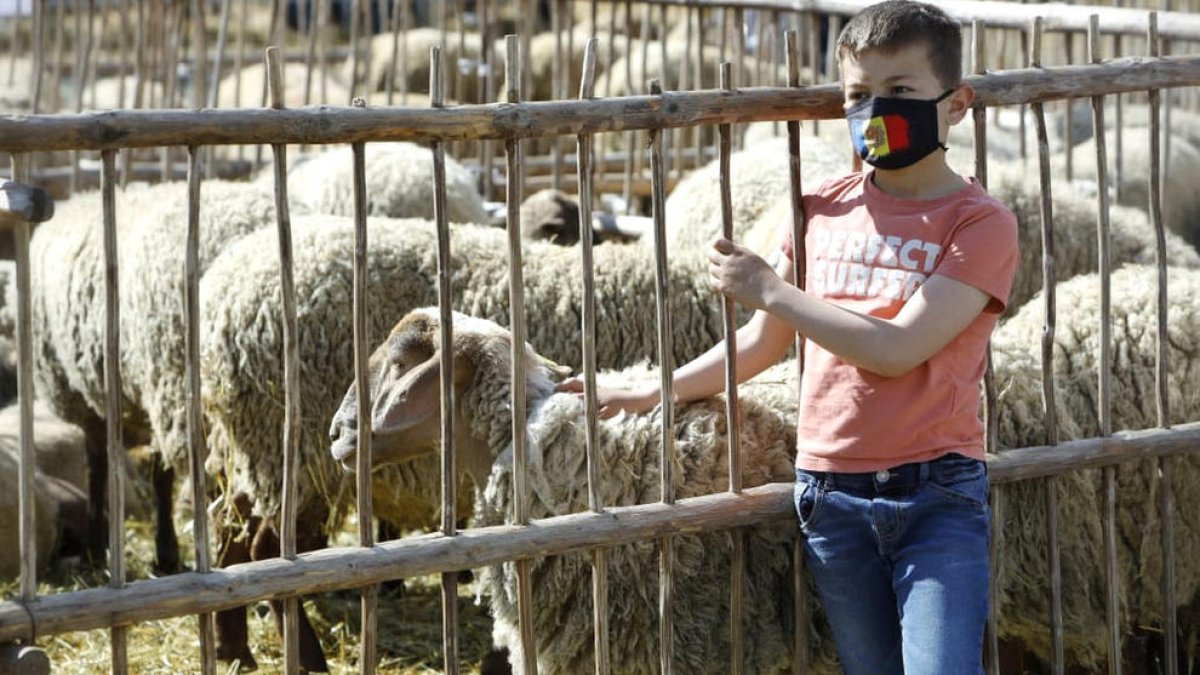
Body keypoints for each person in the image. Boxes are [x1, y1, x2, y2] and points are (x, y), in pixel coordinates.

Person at [557, 1, 1019, 673]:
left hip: (935, 495)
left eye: (901, 92)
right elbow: (760, 344)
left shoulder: (979, 224)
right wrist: (647, 393)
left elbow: (896, 349)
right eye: (859, 94)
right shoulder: (818, 210)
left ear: (956, 104)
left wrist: (773, 288)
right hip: (832, 493)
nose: (876, 111)